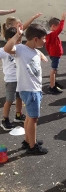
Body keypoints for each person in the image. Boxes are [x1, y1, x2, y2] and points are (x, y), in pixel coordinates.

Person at [4, 24, 48, 154]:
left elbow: (35, 51)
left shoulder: (33, 50)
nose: (45, 41)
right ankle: (33, 147)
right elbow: (7, 48)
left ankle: (27, 141)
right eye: (43, 38)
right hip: (30, 90)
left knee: (29, 116)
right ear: (35, 39)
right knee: (34, 118)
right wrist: (17, 35)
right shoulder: (20, 49)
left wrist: (40, 54)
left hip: (35, 89)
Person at [0, 27, 26, 131]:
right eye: (18, 40)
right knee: (10, 100)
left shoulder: (20, 48)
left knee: (20, 98)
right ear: (10, 39)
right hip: (11, 80)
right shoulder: (3, 50)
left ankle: (18, 115)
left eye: (21, 39)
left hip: (20, 78)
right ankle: (5, 119)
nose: (20, 42)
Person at [46, 12, 66, 94]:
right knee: (53, 70)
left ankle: (53, 82)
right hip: (55, 55)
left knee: (55, 70)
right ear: (53, 26)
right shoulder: (52, 34)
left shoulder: (52, 34)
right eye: (57, 26)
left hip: (55, 54)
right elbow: (60, 29)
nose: (59, 29)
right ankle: (52, 86)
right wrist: (63, 20)